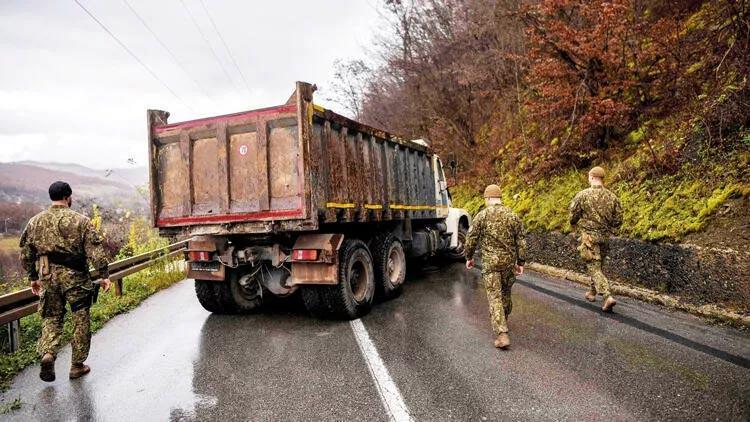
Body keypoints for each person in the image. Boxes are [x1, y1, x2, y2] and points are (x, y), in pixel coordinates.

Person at [19, 181, 112, 382]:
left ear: (51, 197)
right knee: (80, 317)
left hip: (48, 277)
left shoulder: (35, 222)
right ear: (68, 197)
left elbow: (26, 254)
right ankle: (77, 365)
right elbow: (96, 253)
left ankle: (48, 354)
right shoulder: (81, 221)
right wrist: (104, 275)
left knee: (51, 316)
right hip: (75, 278)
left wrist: (33, 278)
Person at [465, 184, 526, 349]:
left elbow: (471, 239)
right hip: (508, 263)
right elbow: (521, 240)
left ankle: (502, 333)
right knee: (505, 295)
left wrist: (469, 257)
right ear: (500, 197)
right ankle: (503, 320)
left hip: (491, 264)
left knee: (495, 297)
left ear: (488, 198)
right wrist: (521, 262)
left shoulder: (482, 216)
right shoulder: (512, 215)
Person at [569, 166, 623, 312]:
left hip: (589, 238)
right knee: (597, 267)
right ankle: (592, 292)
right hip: (604, 237)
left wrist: (575, 225)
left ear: (591, 177)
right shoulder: (613, 197)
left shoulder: (582, 195)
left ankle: (607, 296)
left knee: (593, 268)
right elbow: (618, 220)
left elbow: (573, 215)